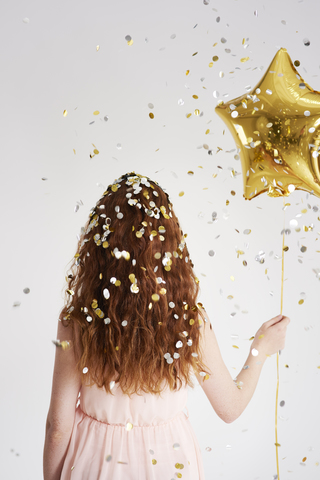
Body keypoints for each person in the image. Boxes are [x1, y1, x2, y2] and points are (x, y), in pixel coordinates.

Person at [43, 172, 290, 480]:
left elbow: (58, 427)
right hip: (168, 464)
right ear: (169, 246)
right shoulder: (189, 323)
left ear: (100, 247)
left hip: (94, 464)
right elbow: (230, 407)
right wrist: (260, 349)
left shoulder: (76, 323)